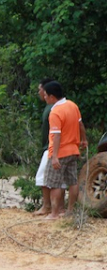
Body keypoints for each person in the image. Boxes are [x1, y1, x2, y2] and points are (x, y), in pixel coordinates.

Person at [42, 81, 87, 219]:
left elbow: (56, 135)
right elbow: (80, 124)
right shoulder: (73, 106)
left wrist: (54, 156)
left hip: (60, 152)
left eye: (45, 95)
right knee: (72, 182)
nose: (44, 97)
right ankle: (70, 211)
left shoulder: (55, 112)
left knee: (54, 184)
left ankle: (54, 213)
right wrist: (83, 140)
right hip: (73, 150)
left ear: (51, 96)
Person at [33, 78, 57, 216]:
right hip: (50, 146)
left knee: (43, 177)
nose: (39, 92)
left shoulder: (53, 108)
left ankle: (48, 206)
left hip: (51, 147)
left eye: (39, 89)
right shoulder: (50, 107)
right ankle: (55, 207)